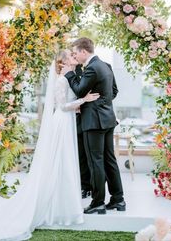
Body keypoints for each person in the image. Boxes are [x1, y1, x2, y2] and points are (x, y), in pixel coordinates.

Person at [0, 49, 99, 241]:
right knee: (59, 161)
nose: (74, 58)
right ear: (63, 63)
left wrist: (80, 103)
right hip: (62, 122)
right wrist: (84, 100)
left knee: (65, 162)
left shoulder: (68, 78)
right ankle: (57, 207)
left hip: (68, 121)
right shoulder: (62, 80)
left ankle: (64, 204)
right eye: (71, 57)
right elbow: (62, 106)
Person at [63, 37, 126, 215]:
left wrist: (69, 74)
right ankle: (118, 199)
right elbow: (113, 91)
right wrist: (103, 104)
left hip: (94, 121)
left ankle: (98, 202)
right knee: (109, 160)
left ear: (84, 51)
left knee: (95, 162)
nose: (75, 55)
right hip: (108, 119)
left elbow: (79, 90)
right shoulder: (106, 65)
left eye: (76, 52)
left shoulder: (91, 68)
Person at [74, 64, 92, 199]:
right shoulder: (71, 72)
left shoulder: (95, 68)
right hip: (76, 118)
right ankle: (84, 186)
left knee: (91, 155)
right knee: (81, 155)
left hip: (91, 116)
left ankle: (92, 186)